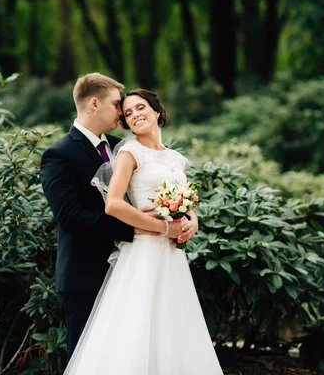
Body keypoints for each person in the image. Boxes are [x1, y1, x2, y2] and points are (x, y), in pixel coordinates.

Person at [63, 89, 223, 374]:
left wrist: (192, 220)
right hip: (143, 250)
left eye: (140, 108)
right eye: (127, 113)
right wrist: (163, 227)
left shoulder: (176, 159)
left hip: (172, 255)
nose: (135, 115)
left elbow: (184, 200)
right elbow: (113, 205)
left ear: (157, 111)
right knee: (137, 327)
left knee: (173, 326)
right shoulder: (128, 152)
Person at [40, 74, 198, 362]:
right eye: (118, 106)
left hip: (137, 266)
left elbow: (164, 189)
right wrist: (138, 229)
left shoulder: (122, 145)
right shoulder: (59, 154)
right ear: (95, 104)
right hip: (85, 274)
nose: (123, 113)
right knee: (90, 359)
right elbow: (69, 217)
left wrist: (190, 217)